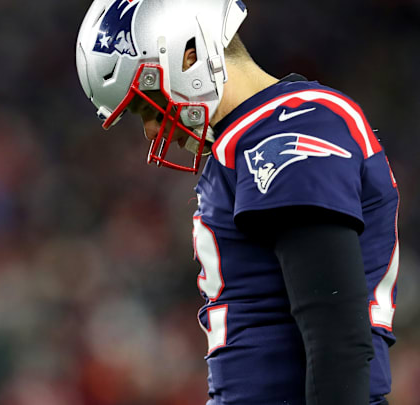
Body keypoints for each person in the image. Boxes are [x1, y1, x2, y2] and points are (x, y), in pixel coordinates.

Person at [75, 0, 399, 404]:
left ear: (188, 54)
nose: (151, 129)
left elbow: (337, 337)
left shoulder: (293, 123)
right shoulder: (244, 141)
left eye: (147, 102)